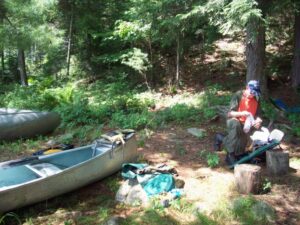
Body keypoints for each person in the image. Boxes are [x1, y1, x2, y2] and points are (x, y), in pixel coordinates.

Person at [223, 80, 263, 164]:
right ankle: (230, 154)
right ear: (247, 87)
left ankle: (241, 153)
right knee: (236, 125)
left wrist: (258, 121)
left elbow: (258, 115)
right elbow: (230, 113)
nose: (252, 95)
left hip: (247, 124)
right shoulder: (238, 95)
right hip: (235, 120)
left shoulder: (256, 98)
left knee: (243, 145)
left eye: (254, 93)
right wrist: (242, 113)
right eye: (251, 92)